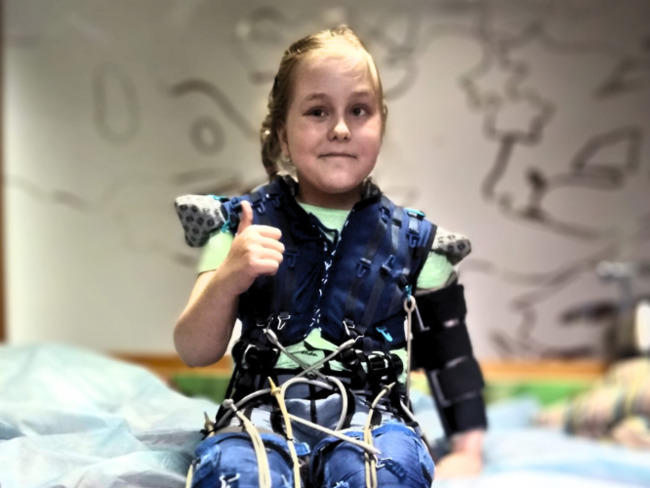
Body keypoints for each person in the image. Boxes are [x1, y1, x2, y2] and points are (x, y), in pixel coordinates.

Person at [174, 25, 486, 488]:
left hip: (374, 420)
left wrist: (467, 451)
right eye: (318, 111)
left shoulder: (419, 244)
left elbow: (450, 354)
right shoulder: (238, 227)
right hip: (260, 414)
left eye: (358, 111)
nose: (340, 129)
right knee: (235, 475)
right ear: (282, 134)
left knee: (384, 475)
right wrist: (228, 279)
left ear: (381, 124)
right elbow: (194, 351)